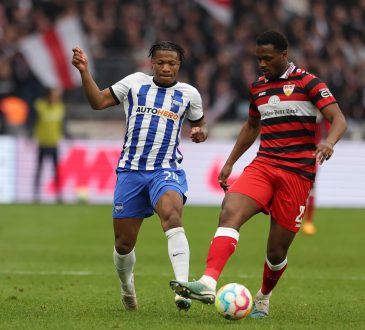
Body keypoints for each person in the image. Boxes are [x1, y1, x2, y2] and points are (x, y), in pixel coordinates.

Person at [170, 31, 347, 318]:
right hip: (264, 165)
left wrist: (329, 142)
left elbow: (338, 118)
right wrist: (229, 163)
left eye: (267, 58)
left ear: (283, 54)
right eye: (258, 59)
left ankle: (263, 296)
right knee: (230, 210)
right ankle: (208, 281)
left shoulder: (308, 82)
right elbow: (252, 126)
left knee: (276, 252)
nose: (262, 64)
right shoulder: (259, 88)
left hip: (297, 174)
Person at [72, 41, 208, 312]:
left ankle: (182, 287)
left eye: (172, 63)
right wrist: (85, 71)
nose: (166, 68)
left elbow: (199, 125)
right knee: (123, 244)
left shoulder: (189, 94)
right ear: (152, 63)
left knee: (172, 216)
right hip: (131, 171)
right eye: (161, 63)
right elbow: (98, 101)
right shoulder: (135, 83)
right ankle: (127, 288)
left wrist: (200, 133)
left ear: (179, 65)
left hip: (165, 169)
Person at [33, 87, 65, 202]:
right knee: (39, 169)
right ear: (48, 95)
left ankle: (58, 196)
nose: (55, 97)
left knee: (56, 171)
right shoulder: (40, 106)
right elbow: (33, 120)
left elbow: (62, 125)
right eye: (53, 94)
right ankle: (35, 195)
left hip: (54, 143)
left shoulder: (60, 107)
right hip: (42, 142)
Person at [302, 117, 330, 236]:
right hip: (294, 151)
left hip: (312, 154)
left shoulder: (321, 110)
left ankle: (308, 222)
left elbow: (330, 126)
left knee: (311, 187)